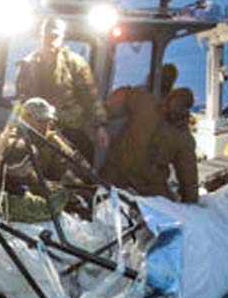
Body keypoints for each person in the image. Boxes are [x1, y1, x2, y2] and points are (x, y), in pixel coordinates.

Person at [14, 16, 109, 162]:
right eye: (48, 35)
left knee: (80, 168)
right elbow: (21, 101)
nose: (51, 39)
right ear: (42, 35)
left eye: (55, 35)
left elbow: (91, 97)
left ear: (62, 37)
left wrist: (100, 126)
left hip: (70, 128)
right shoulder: (27, 65)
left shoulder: (75, 63)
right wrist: (15, 125)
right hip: (36, 129)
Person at [101, 87, 199, 203]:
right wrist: (104, 114)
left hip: (141, 181)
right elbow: (189, 177)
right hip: (124, 173)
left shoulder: (146, 102)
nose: (176, 107)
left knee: (167, 208)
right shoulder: (145, 103)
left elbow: (188, 175)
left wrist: (104, 113)